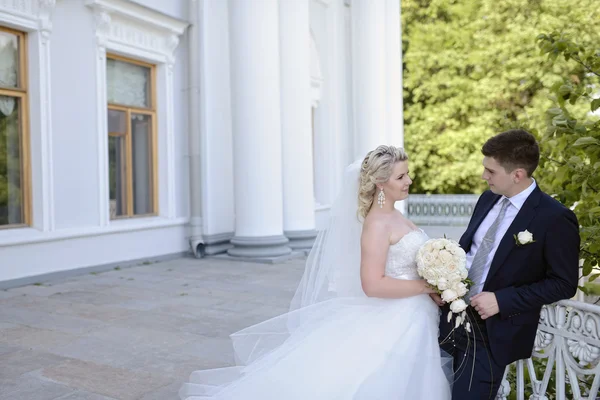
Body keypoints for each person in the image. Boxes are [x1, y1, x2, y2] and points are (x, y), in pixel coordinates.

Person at [179, 145, 452, 400]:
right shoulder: (377, 223)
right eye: (401, 177)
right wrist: (425, 287)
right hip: (397, 317)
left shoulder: (395, 214)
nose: (409, 181)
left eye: (407, 174)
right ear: (381, 183)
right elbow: (372, 284)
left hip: (413, 312)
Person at [439, 129, 580, 399]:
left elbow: (564, 284)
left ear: (517, 174)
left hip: (491, 332)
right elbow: (468, 251)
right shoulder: (487, 199)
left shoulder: (555, 218)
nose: (484, 176)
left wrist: (502, 300)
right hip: (447, 318)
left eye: (490, 171)